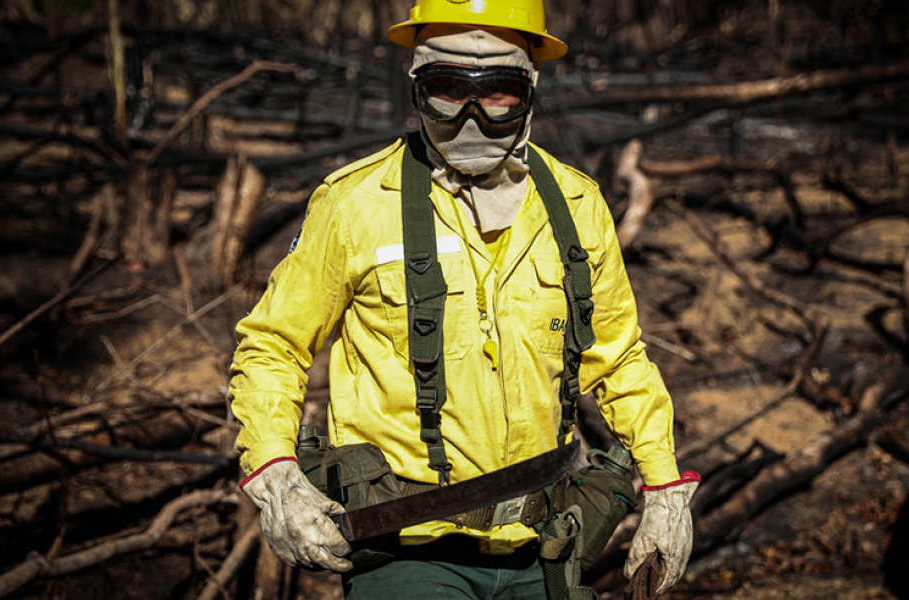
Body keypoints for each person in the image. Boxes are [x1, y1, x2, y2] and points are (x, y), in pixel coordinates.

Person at [229, 1, 699, 598]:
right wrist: (276, 475)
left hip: (547, 545)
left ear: (529, 88)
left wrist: (663, 487)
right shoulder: (355, 205)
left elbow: (620, 356)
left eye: (496, 91)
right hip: (408, 551)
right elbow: (273, 344)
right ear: (417, 90)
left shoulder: (578, 208)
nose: (471, 115)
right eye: (448, 89)